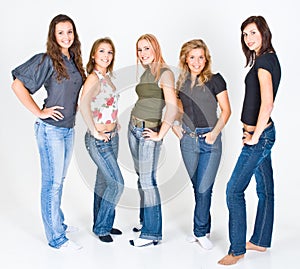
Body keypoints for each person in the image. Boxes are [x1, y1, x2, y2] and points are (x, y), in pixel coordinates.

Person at [11, 14, 86, 250]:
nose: (66, 36)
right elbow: (17, 85)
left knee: (59, 181)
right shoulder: (46, 60)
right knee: (51, 184)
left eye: (70, 31)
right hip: (50, 130)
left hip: (68, 129)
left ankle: (58, 224)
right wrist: (39, 112)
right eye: (61, 32)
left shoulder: (74, 60)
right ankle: (56, 238)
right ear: (53, 36)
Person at [218, 15, 281, 265]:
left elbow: (268, 103)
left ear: (264, 32)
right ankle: (260, 241)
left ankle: (237, 250)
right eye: (245, 34)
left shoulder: (265, 62)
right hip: (261, 135)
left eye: (253, 32)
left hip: (260, 137)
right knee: (265, 190)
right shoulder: (267, 58)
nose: (248, 38)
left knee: (233, 190)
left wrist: (254, 137)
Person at [172, 39, 231, 250]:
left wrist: (215, 133)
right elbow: (177, 110)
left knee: (205, 188)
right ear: (185, 60)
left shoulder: (216, 80)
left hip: (210, 140)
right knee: (198, 187)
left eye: (200, 57)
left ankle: (199, 232)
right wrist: (174, 127)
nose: (197, 61)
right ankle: (203, 228)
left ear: (206, 59)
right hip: (188, 140)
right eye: (192, 57)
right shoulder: (181, 83)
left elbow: (226, 110)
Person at [128, 33, 177, 247]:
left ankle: (152, 233)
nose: (142, 53)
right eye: (139, 49)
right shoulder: (147, 72)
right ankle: (145, 220)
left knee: (148, 181)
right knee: (141, 178)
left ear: (156, 48)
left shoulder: (165, 73)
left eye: (147, 48)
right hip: (133, 128)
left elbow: (172, 107)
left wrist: (160, 134)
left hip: (149, 132)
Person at [80, 37, 124, 243]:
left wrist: (115, 122)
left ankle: (103, 222)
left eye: (110, 52)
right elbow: (83, 104)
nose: (106, 56)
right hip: (98, 140)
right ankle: (102, 227)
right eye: (102, 52)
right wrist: (94, 130)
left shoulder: (108, 78)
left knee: (104, 183)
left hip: (112, 137)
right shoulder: (93, 78)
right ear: (93, 55)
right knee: (117, 183)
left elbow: (105, 105)